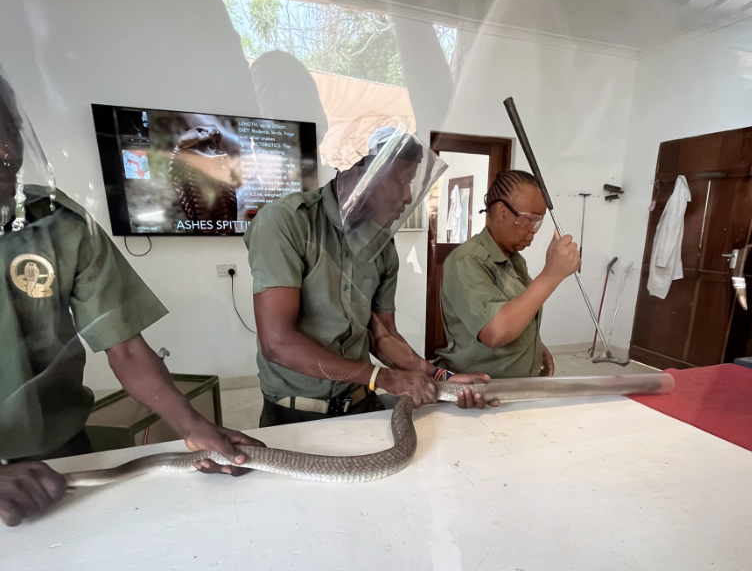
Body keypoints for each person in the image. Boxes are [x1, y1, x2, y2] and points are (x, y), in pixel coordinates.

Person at [0, 70, 264, 528]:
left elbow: (124, 345)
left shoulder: (59, 224)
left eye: (10, 134)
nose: (8, 155)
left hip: (55, 455)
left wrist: (191, 425)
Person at [245, 132, 493, 427]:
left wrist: (441, 377)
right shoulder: (287, 223)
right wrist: (382, 377)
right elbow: (277, 342)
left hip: (362, 405)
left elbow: (383, 336)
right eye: (401, 181)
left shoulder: (380, 244)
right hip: (296, 415)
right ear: (361, 175)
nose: (408, 196)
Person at [436, 170, 581, 379]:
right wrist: (551, 275)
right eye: (529, 219)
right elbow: (496, 332)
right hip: (478, 392)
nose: (534, 230)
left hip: (513, 388)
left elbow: (518, 312)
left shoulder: (513, 260)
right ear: (502, 212)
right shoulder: (467, 260)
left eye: (538, 221)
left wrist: (535, 348)